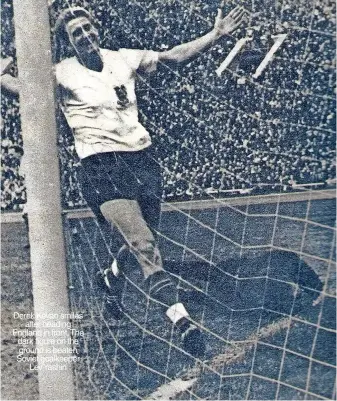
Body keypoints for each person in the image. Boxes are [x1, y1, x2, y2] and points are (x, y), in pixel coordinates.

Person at [2, 4, 246, 358]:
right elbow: (27, 93)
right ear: (68, 41)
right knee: (144, 246)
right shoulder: (60, 74)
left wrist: (216, 35)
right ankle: (183, 323)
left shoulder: (124, 59)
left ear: (96, 29)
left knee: (139, 245)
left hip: (142, 163)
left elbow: (174, 58)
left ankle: (111, 279)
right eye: (76, 33)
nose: (84, 35)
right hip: (100, 168)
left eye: (87, 28)